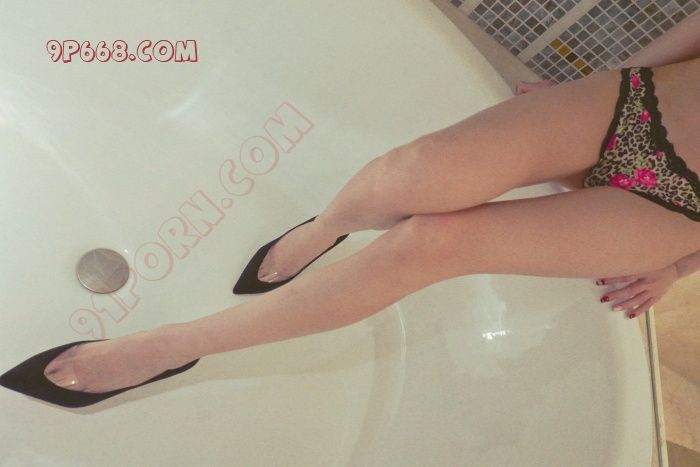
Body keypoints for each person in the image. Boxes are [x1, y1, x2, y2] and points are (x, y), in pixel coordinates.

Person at [3, 10, 700, 407]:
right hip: (649, 103)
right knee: (413, 172)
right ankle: (326, 227)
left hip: (676, 207)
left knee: (429, 244)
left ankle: (166, 348)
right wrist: (616, 79)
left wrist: (679, 267)